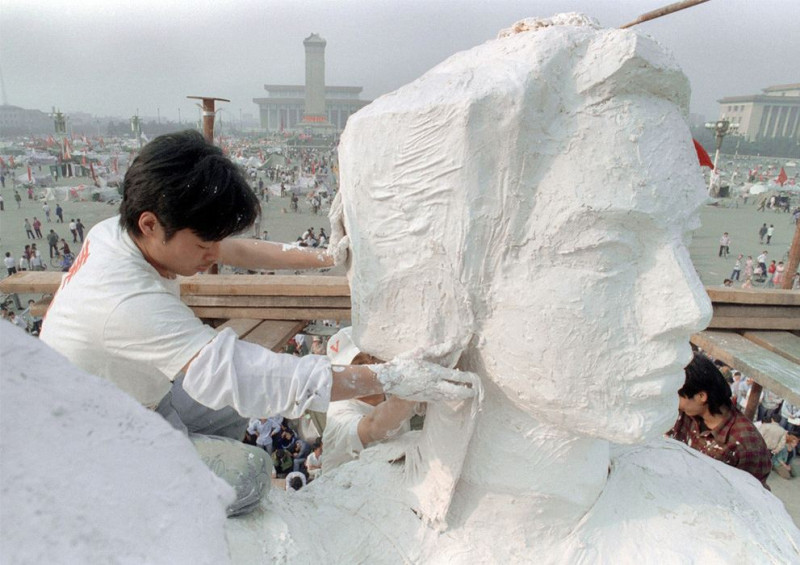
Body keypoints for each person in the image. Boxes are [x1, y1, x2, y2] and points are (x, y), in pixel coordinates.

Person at [225, 17, 800, 562]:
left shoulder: (743, 527)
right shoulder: (325, 543)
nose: (691, 306)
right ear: (437, 278)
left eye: (682, 235)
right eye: (609, 251)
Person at [39, 130, 471, 515]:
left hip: (138, 395)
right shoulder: (126, 300)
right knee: (250, 474)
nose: (213, 257)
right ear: (150, 224)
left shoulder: (122, 231)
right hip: (101, 441)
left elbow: (235, 251)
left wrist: (325, 256)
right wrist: (388, 377)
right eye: (204, 244)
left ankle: (189, 457)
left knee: (232, 403)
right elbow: (244, 374)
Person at [321, 326, 417, 472]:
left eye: (372, 356)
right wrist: (412, 392)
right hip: (349, 488)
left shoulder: (389, 390)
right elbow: (373, 427)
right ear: (343, 375)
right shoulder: (339, 411)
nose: (372, 366)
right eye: (360, 364)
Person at [667, 354, 772, 487]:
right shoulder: (685, 414)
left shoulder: (747, 445)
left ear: (701, 396)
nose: (674, 402)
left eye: (678, 396)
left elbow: (754, 495)